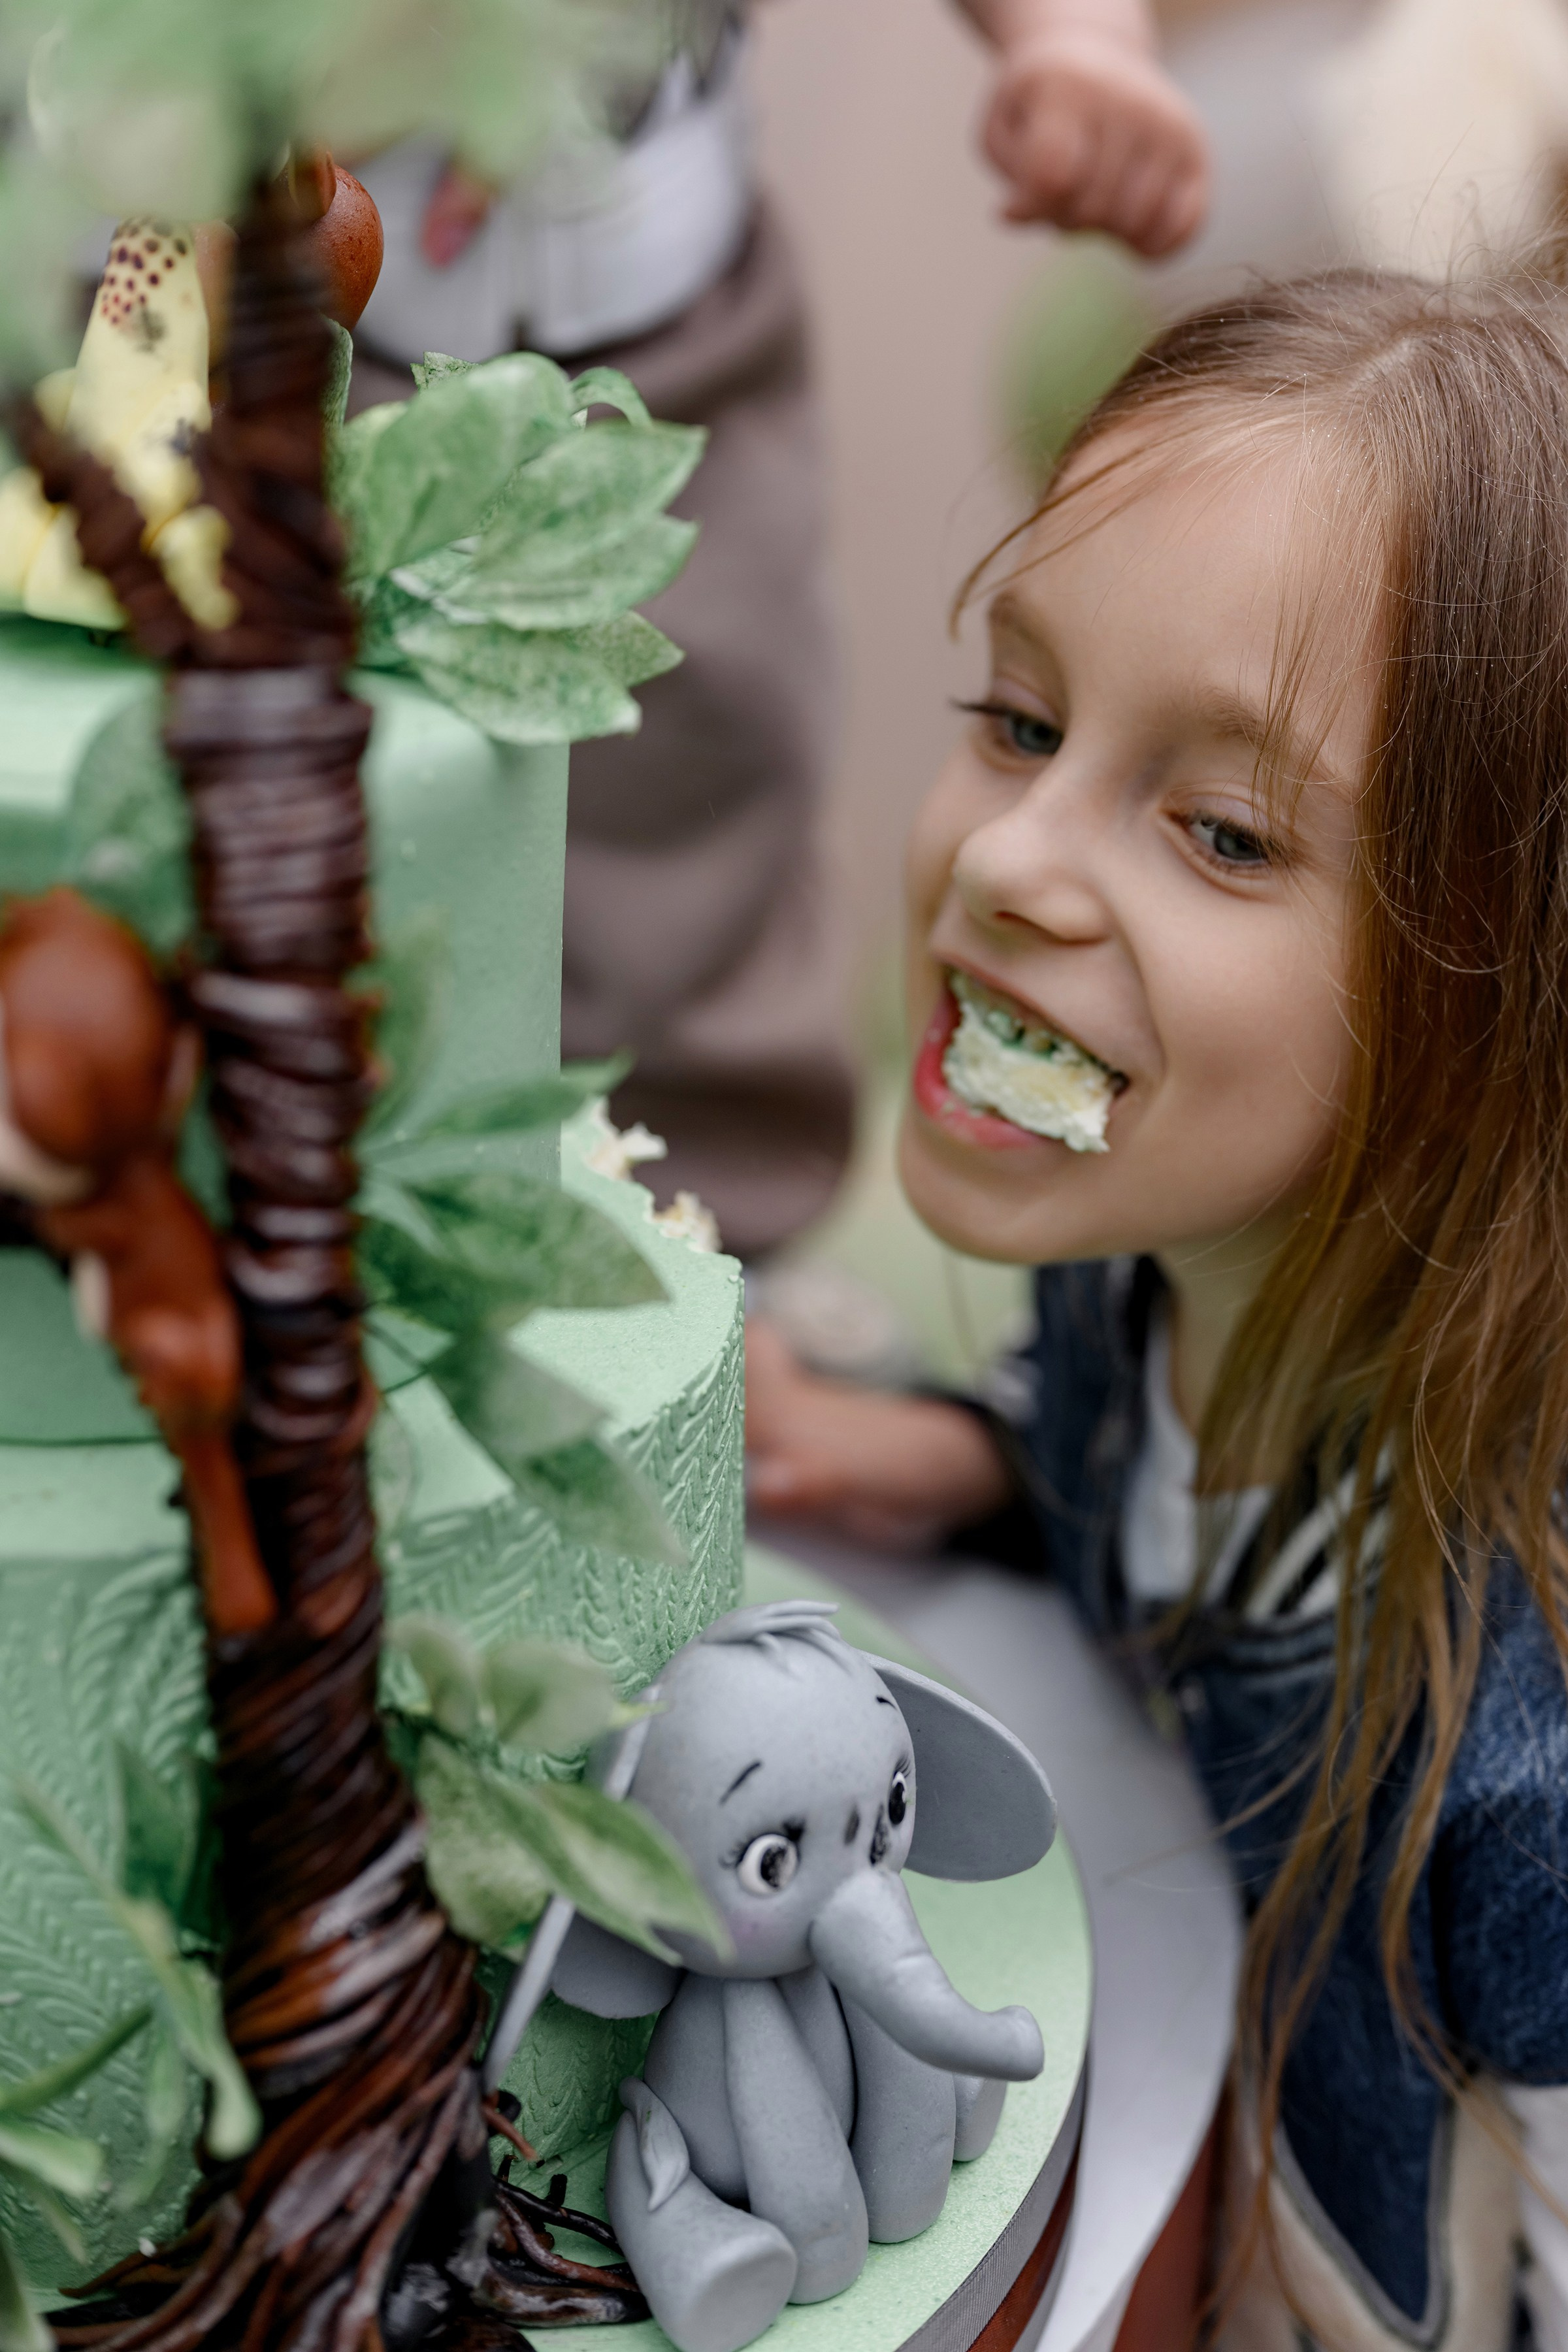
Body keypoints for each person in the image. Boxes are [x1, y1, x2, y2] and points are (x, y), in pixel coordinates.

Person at [744, 267, 1568, 2348]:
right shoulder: (1143, 1282)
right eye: (1019, 721)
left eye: (1220, 831)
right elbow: (1157, 1501)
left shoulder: (1530, 1781)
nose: (1013, 857)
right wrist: (972, 1456)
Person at [349, 0, 1208, 1260]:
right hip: (188, 310)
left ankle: (704, 1256)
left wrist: (1076, 42)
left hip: (650, 314)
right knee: (215, 806)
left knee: (702, 794)